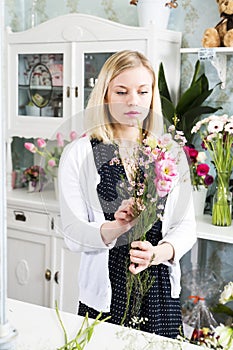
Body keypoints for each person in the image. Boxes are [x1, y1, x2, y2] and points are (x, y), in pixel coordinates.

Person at [59, 50, 197, 338]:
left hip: (159, 291)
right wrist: (117, 227)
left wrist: (158, 253)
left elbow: (186, 227)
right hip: (105, 293)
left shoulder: (168, 151)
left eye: (142, 91)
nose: (133, 101)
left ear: (151, 96)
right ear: (105, 95)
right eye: (121, 92)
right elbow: (72, 234)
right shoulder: (80, 153)